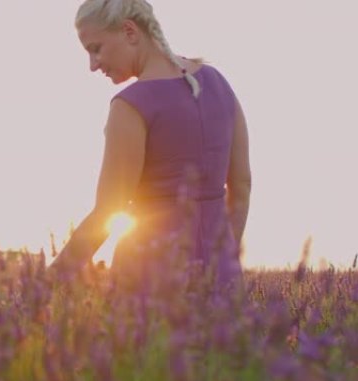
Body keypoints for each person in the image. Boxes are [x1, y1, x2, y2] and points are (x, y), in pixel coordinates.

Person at [48, 0, 252, 290]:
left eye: (96, 49)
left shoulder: (131, 106)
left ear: (130, 32)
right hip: (222, 279)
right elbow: (241, 186)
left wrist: (43, 285)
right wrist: (224, 261)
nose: (93, 65)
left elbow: (108, 211)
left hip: (150, 281)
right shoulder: (219, 83)